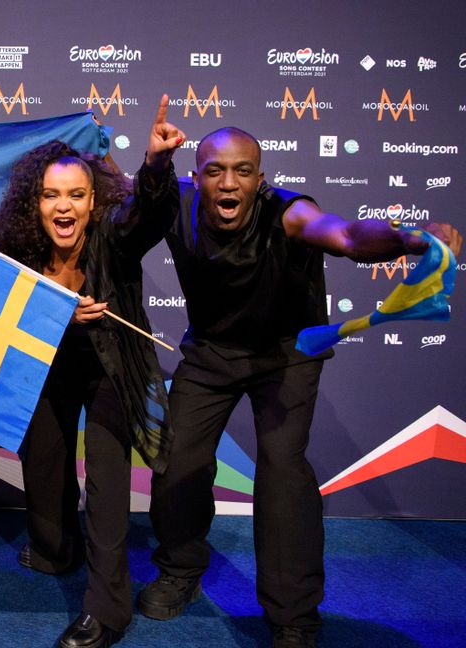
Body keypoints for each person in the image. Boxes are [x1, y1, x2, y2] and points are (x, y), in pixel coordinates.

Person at [138, 126, 463, 648]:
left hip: (286, 354)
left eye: (242, 171)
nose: (229, 182)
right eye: (216, 171)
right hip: (211, 351)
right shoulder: (173, 205)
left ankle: (293, 614)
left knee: (283, 473)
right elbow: (118, 217)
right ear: (196, 178)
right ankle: (180, 570)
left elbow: (349, 236)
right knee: (178, 461)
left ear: (260, 179)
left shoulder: (288, 212)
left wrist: (407, 238)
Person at [0, 96, 183, 648]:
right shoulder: (20, 245)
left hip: (108, 367)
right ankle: (55, 550)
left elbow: (146, 215)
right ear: (35, 203)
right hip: (47, 366)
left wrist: (156, 166)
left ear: (94, 201)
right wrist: (53, 313)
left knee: (105, 485)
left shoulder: (113, 238)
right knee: (44, 470)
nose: (63, 206)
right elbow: (3, 304)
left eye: (76, 195)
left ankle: (108, 610)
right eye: (52, 196)